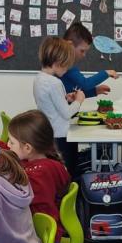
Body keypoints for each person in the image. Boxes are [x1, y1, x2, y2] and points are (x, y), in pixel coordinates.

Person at [7, 109, 71, 234]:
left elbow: (37, 208)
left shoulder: (39, 174)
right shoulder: (48, 162)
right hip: (48, 230)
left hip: (43, 235)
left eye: (11, 142)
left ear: (27, 148)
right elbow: (6, 151)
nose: (8, 145)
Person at [34, 36, 85, 174]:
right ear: (58, 62)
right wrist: (79, 100)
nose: (67, 68)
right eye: (66, 64)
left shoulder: (39, 78)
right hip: (61, 135)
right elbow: (67, 114)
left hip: (49, 133)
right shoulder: (54, 83)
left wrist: (66, 99)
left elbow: (50, 104)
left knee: (57, 171)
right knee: (68, 171)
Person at [60, 22, 118, 96]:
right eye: (82, 51)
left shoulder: (63, 63)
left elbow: (70, 93)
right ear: (70, 45)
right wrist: (106, 73)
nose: (84, 55)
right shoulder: (64, 65)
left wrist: (95, 91)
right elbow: (85, 84)